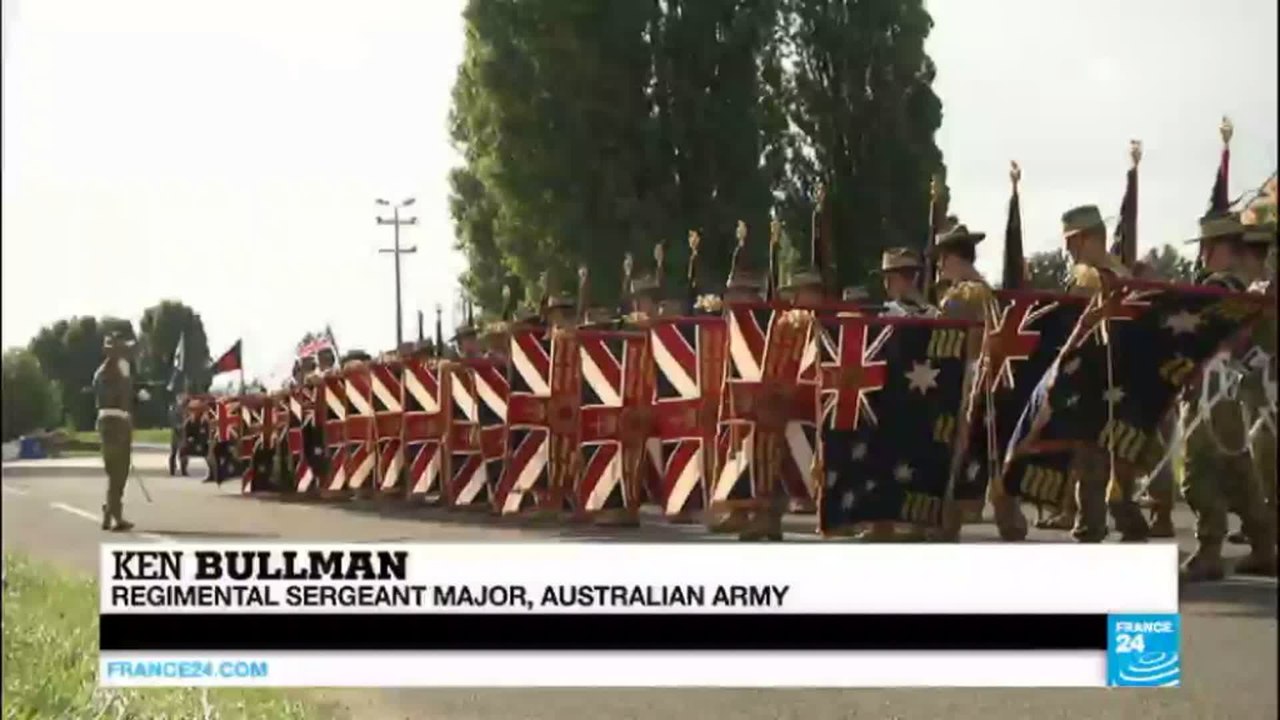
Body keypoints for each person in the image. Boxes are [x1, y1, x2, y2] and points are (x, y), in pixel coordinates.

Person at [1180, 211, 1276, 581]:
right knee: (1239, 471)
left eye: (1206, 247)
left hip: (1210, 391)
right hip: (1232, 391)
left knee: (1198, 471)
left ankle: (1209, 550)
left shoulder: (1219, 289)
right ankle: (1265, 547)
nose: (1202, 255)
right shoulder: (1249, 289)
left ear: (1220, 247)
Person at [1057, 204, 1149, 543]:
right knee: (1119, 452)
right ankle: (1127, 519)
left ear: (1086, 239)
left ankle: (1091, 523)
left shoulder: (1086, 277)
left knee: (1090, 453)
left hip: (1097, 374)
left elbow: (1074, 328)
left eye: (1071, 242)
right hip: (1127, 377)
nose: (1068, 251)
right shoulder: (1123, 273)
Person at [932, 223, 1027, 542]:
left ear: (953, 258)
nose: (939, 266)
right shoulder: (985, 289)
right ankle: (1009, 519)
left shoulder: (963, 294)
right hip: (994, 375)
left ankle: (949, 521)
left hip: (970, 376)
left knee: (961, 449)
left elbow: (943, 336)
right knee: (993, 450)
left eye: (942, 259)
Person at [93, 333, 140, 531]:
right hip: (117, 422)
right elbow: (124, 398)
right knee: (119, 471)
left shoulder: (100, 372)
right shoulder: (119, 369)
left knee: (114, 472)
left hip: (106, 421)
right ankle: (114, 514)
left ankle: (110, 511)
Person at [876, 247, 937, 317]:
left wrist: (921, 303)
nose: (887, 283)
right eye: (886, 278)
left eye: (911, 275)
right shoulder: (885, 311)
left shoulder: (931, 312)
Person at [167, 392, 190, 476]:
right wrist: (178, 426)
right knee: (174, 452)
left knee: (184, 452)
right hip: (177, 433)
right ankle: (172, 469)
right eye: (184, 399)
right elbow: (172, 419)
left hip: (185, 433)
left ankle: (184, 470)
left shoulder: (188, 409)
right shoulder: (174, 408)